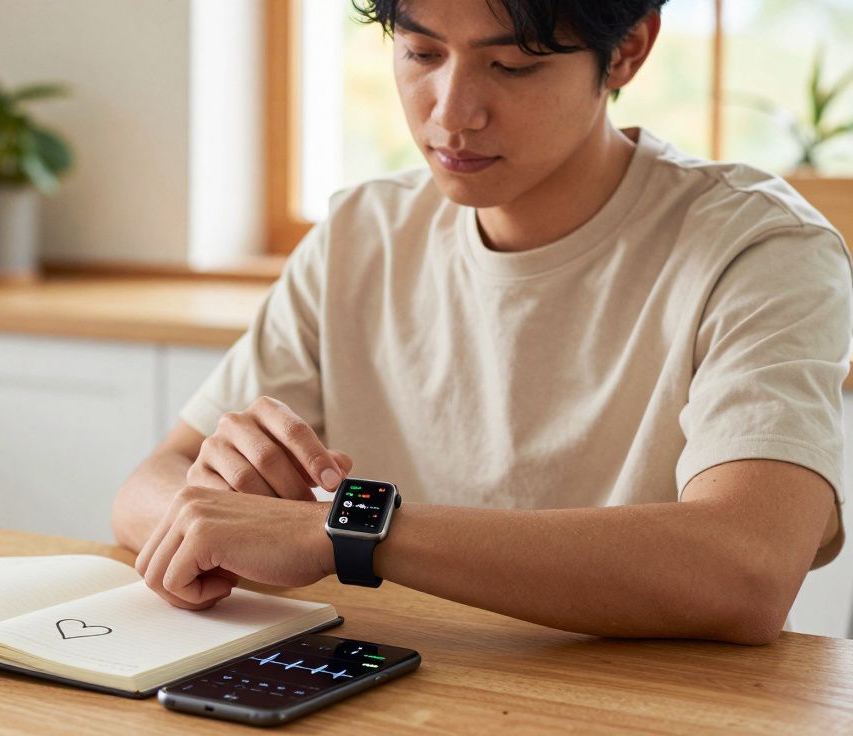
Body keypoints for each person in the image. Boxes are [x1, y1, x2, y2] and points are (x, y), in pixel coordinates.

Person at [111, 0, 851, 645]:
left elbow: (746, 568)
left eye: (513, 66)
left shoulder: (759, 247)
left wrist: (347, 531)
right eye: (421, 52)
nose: (451, 110)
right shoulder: (361, 234)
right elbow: (150, 484)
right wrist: (208, 511)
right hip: (391, 682)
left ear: (627, 50)